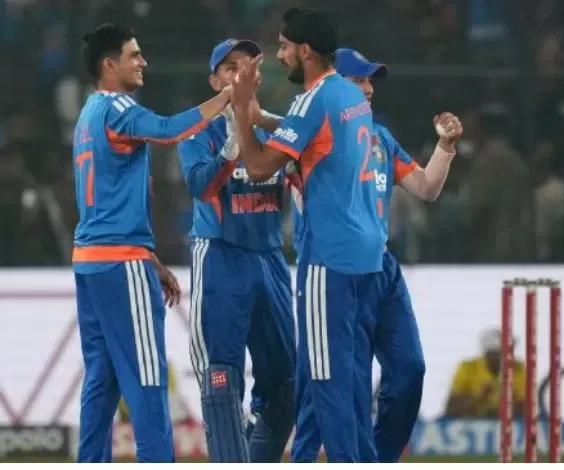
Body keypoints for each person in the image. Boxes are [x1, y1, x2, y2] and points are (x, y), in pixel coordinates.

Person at [288, 47, 462, 463]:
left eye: (370, 81)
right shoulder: (314, 134)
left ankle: (378, 460)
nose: (368, 90)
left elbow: (426, 188)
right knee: (339, 385)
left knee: (410, 369)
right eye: (358, 81)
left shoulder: (380, 139)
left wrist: (445, 146)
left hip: (381, 267)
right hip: (335, 267)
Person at [229, 8, 385, 463]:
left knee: (325, 379)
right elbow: (316, 135)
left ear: (306, 50)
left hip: (328, 256)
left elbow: (259, 167)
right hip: (366, 253)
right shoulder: (350, 95)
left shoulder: (312, 99)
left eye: (283, 47)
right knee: (351, 375)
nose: (280, 56)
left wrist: (241, 112)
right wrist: (264, 119)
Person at [73, 23, 232, 462]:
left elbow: (107, 199)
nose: (143, 61)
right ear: (110, 65)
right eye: (134, 55)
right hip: (121, 264)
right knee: (147, 380)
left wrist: (151, 260)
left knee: (101, 381)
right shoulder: (119, 107)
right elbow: (167, 129)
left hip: (92, 261)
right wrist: (226, 98)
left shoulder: (88, 114)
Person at [176, 39, 295, 462]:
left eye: (248, 66)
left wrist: (260, 121)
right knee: (222, 377)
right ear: (214, 81)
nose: (241, 74)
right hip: (221, 255)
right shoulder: (197, 130)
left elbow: (320, 146)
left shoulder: (274, 130)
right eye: (230, 68)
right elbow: (199, 185)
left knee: (287, 381)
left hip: (271, 257)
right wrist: (232, 139)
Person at [444, 329, 526, 419]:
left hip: (509, 421)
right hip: (471, 421)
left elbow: (526, 404)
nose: (508, 357)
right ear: (488, 353)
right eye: (500, 353)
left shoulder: (518, 368)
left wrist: (509, 401)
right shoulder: (468, 367)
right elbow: (452, 406)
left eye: (510, 351)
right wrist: (478, 398)